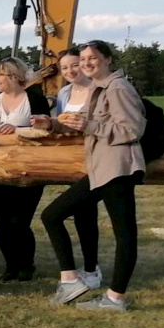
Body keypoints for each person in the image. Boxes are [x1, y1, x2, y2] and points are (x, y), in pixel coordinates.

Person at [37, 40, 146, 312]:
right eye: (83, 59)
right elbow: (80, 123)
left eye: (92, 58)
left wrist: (90, 125)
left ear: (107, 59)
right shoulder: (99, 88)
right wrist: (51, 123)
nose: (86, 63)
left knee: (124, 234)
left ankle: (114, 298)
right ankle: (73, 280)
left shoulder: (118, 87)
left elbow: (132, 129)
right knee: (53, 215)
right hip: (102, 169)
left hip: (117, 168)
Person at [0, 58, 49, 282]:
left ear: (13, 76)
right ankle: (10, 265)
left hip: (27, 169)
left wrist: (19, 129)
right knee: (1, 219)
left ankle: (26, 265)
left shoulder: (35, 100)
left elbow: (44, 131)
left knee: (19, 221)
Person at [51, 47, 102, 286]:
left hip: (97, 158)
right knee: (81, 213)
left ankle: (91, 269)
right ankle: (88, 269)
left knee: (86, 215)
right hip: (73, 160)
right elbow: (62, 126)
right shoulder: (64, 93)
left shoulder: (97, 90)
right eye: (64, 68)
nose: (70, 71)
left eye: (74, 65)